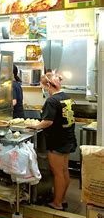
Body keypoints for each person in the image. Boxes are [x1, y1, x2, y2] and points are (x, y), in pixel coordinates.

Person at [28, 72, 77, 210]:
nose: (44, 89)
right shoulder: (66, 97)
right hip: (68, 138)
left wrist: (35, 126)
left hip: (56, 141)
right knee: (64, 171)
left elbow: (47, 122)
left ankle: (57, 203)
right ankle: (62, 198)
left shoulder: (51, 100)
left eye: (44, 86)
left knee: (57, 173)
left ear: (48, 85)